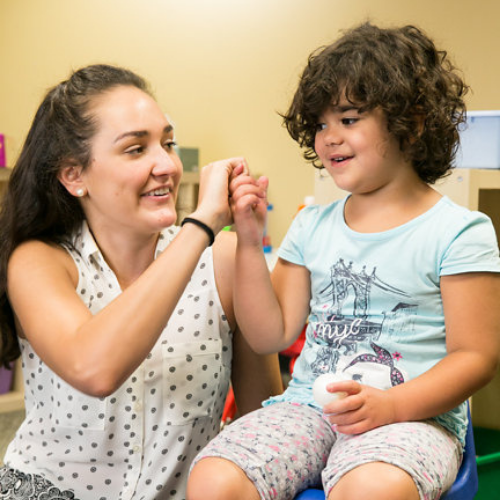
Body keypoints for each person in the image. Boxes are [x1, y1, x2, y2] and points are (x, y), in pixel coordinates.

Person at [187, 23, 500, 500]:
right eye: (319, 124)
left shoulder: (459, 230)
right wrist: (249, 242)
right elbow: (271, 334)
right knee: (213, 477)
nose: (328, 137)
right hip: (309, 409)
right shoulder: (313, 225)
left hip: (413, 417)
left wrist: (392, 406)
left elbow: (477, 357)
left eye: (349, 119)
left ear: (411, 123)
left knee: (370, 488)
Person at [0, 64, 282, 500]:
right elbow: (94, 369)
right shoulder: (40, 261)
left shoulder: (221, 262)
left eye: (167, 143)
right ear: (75, 176)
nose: (167, 164)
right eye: (136, 149)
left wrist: (243, 244)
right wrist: (202, 224)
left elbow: (263, 418)